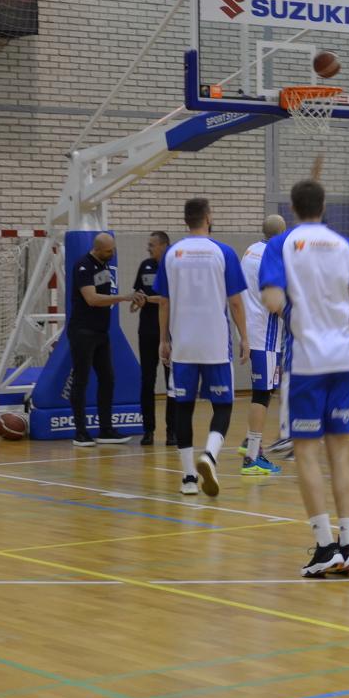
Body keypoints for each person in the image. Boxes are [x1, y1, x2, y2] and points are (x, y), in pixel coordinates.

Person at [260, 178, 349, 578]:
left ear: (292, 209)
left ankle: (326, 547)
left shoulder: (281, 244)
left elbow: (272, 299)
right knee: (340, 455)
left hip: (307, 362)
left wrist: (296, 308)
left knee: (307, 454)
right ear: (324, 207)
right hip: (343, 360)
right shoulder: (345, 245)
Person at [155, 198, 250, 498]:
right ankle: (209, 455)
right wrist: (244, 337)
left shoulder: (172, 254)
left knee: (183, 408)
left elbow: (164, 302)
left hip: (183, 345)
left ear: (186, 220)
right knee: (223, 406)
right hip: (215, 344)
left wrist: (163, 339)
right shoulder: (224, 252)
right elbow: (235, 301)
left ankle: (188, 479)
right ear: (209, 218)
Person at [67, 232, 144, 448]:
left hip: (101, 332)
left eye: (114, 249)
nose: (113, 253)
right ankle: (80, 433)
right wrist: (124, 297)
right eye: (109, 251)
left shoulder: (105, 265)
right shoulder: (83, 266)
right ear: (97, 249)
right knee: (80, 381)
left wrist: (132, 301)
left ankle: (106, 429)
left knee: (108, 379)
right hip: (82, 332)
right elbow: (92, 299)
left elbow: (105, 296)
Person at [237, 214, 287, 476]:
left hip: (250, 329)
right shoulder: (273, 258)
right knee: (263, 393)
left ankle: (249, 442)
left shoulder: (250, 251)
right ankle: (252, 458)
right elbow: (274, 302)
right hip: (265, 334)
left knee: (263, 391)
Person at [130, 231, 173, 446]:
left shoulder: (174, 267)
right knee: (147, 381)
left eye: (152, 245)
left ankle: (172, 432)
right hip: (146, 332)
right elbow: (139, 294)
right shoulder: (145, 265)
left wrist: (147, 300)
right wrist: (136, 302)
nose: (148, 249)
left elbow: (170, 299)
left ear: (164, 246)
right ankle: (148, 430)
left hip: (170, 333)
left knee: (172, 382)